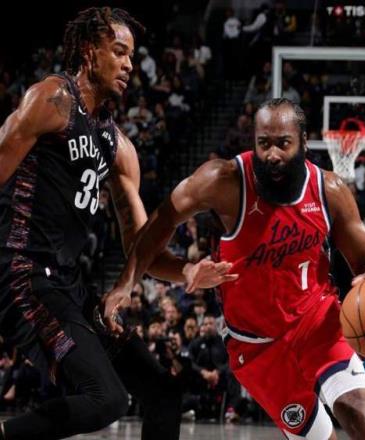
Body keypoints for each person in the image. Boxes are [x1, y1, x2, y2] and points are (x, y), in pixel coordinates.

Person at [105, 98, 365, 439]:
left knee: (358, 412)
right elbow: (158, 225)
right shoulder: (222, 180)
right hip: (255, 346)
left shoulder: (330, 191)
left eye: (283, 143)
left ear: (303, 143)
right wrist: (128, 283)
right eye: (264, 143)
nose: (272, 154)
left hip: (318, 324)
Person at [0, 7, 235, 440]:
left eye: (132, 56)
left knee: (162, 391)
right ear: (90, 52)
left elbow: (143, 249)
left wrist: (187, 270)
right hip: (21, 273)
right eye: (119, 51)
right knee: (106, 398)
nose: (129, 64)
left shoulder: (119, 147)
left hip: (67, 283)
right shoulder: (53, 99)